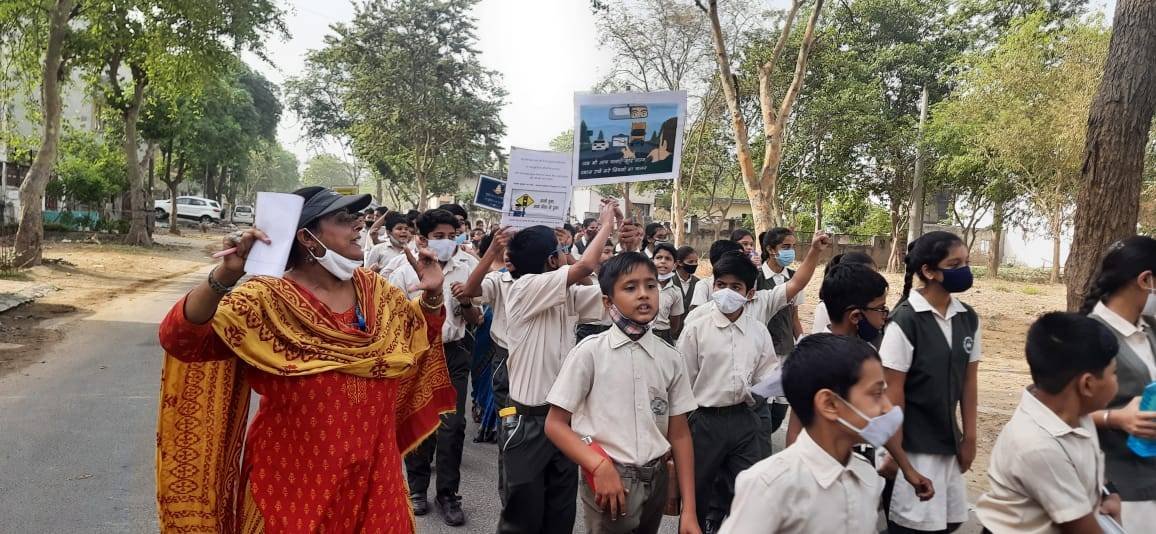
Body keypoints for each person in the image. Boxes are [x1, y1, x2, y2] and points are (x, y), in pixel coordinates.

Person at [156, 186, 454, 533]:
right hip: (290, 487)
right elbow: (181, 339)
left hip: (375, 480)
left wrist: (433, 296)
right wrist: (226, 274)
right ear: (307, 238)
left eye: (357, 217)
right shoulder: (265, 299)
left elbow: (417, 335)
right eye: (343, 219)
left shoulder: (377, 292)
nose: (359, 224)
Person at [544, 252, 701, 534]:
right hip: (610, 477)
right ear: (608, 302)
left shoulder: (671, 357)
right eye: (630, 287)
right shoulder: (590, 352)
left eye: (650, 285)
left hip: (656, 477)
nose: (643, 294)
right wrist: (598, 466)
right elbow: (555, 425)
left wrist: (689, 509)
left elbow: (679, 434)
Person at [497, 200, 621, 534]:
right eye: (563, 249)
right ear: (553, 260)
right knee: (522, 518)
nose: (568, 254)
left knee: (560, 514)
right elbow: (585, 266)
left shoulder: (565, 294)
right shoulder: (523, 288)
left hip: (564, 423)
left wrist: (625, 252)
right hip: (528, 423)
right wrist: (605, 225)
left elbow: (610, 297)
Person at [720, 334, 892, 534]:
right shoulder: (770, 486)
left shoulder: (867, 477)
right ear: (829, 404)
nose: (887, 408)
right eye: (876, 394)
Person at [975, 312, 1123, 534]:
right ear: (1088, 385)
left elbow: (1083, 463)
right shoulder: (1038, 446)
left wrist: (1107, 492)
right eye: (1114, 373)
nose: (1116, 380)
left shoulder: (1073, 415)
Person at [878, 231, 981, 534]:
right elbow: (893, 393)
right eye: (954, 264)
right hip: (913, 447)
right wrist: (895, 453)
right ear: (929, 271)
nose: (964, 270)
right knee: (912, 526)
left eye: (966, 262)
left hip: (947, 442)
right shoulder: (906, 320)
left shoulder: (967, 318)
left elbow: (969, 382)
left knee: (950, 522)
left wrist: (970, 438)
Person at [388, 209, 481, 526]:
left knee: (453, 426)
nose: (446, 241)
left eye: (451, 236)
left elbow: (476, 320)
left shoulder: (466, 267)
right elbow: (394, 322)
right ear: (422, 239)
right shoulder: (404, 271)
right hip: (419, 355)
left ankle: (448, 494)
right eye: (438, 236)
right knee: (421, 421)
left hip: (455, 353)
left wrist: (465, 301)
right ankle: (416, 489)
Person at [678, 250, 780, 531]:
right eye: (721, 285)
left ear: (750, 293)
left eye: (736, 287)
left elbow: (766, 374)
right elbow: (682, 380)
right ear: (713, 286)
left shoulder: (758, 331)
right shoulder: (696, 329)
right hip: (704, 421)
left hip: (744, 418)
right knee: (698, 490)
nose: (726, 292)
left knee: (748, 489)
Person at [1080, 236, 1156, 532]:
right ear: (1146, 280)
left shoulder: (1149, 329)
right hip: (1122, 493)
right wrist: (1115, 418)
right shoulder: (1088, 335)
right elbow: (1055, 412)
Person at [755, 228, 803, 440]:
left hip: (785, 349)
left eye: (792, 246)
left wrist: (801, 341)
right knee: (762, 402)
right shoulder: (756, 277)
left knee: (781, 406)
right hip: (762, 352)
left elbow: (794, 316)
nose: (790, 251)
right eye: (785, 247)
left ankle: (765, 437)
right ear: (770, 249)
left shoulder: (794, 278)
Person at [812, 252, 878, 334]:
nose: (876, 280)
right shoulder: (825, 307)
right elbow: (818, 338)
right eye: (870, 277)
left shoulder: (873, 306)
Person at [687, 240, 744, 312]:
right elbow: (698, 313)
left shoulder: (744, 284)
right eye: (737, 258)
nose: (742, 262)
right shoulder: (704, 285)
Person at [652, 242, 686, 344]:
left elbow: (675, 323)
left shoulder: (676, 291)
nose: (663, 261)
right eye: (659, 257)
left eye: (668, 258)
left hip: (664, 336)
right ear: (652, 261)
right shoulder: (643, 285)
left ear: (675, 265)